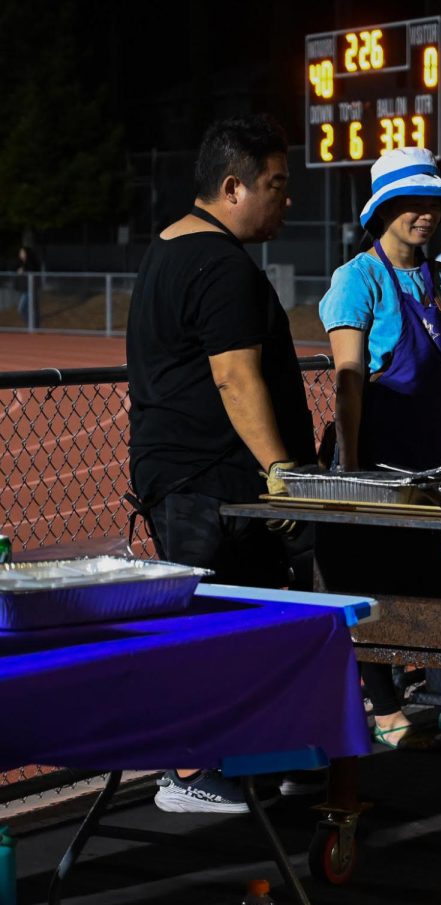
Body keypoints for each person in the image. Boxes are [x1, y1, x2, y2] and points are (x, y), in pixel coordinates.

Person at [126, 114, 319, 813]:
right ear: (234, 186)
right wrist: (282, 471)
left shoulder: (169, 248)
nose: (285, 199)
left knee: (243, 623)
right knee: (212, 626)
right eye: (276, 184)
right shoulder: (219, 263)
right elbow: (237, 380)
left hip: (188, 480)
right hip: (209, 483)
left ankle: (267, 756)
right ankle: (185, 774)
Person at [319, 148, 441, 746]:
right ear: (383, 207)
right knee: (373, 586)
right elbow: (348, 379)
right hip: (379, 460)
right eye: (414, 203)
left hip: (437, 457)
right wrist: (352, 465)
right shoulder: (356, 279)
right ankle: (387, 708)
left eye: (435, 203)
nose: (427, 214)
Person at [15, 245, 41, 323]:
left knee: (24, 308)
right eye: (20, 252)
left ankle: (32, 325)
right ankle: (31, 325)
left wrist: (23, 271)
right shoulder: (22, 263)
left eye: (22, 252)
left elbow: (32, 271)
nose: (20, 254)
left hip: (30, 289)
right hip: (25, 289)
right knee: (25, 308)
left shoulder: (30, 263)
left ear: (26, 253)